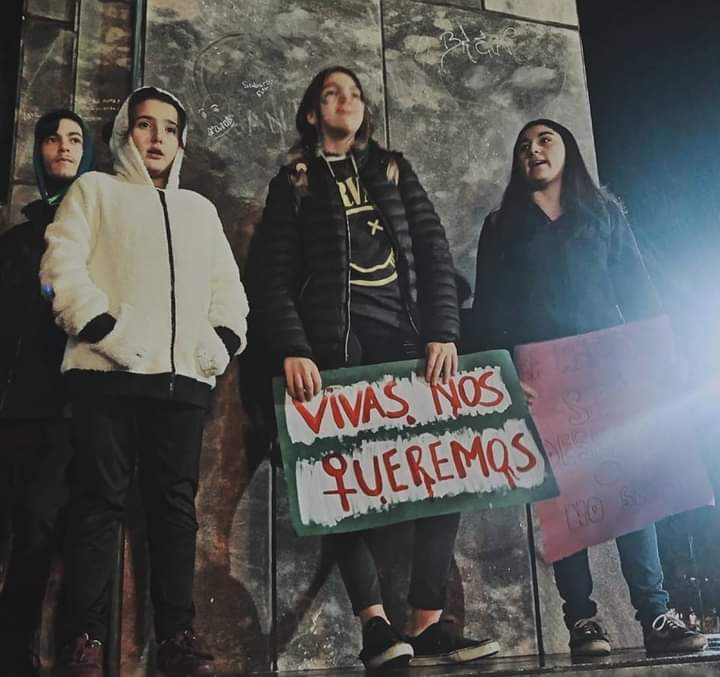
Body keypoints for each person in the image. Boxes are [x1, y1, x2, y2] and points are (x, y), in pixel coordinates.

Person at [252, 65, 499, 670]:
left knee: (451, 467)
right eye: (332, 93)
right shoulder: (295, 183)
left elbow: (435, 251)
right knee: (340, 479)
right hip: (335, 347)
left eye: (356, 94)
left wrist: (443, 330)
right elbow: (271, 274)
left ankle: (429, 623)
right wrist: (294, 346)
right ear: (312, 113)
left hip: (408, 337)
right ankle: (375, 626)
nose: (346, 101)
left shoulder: (393, 170)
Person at [467, 118, 707, 657]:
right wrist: (506, 374)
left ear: (568, 150)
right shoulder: (502, 225)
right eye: (523, 146)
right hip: (541, 381)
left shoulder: (604, 213)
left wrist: (657, 362)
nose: (533, 150)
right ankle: (582, 622)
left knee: (632, 495)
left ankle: (656, 614)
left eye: (545, 140)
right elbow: (489, 311)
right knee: (563, 501)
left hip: (609, 375)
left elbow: (638, 292)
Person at [40, 86, 248, 677]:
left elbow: (228, 292)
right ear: (125, 133)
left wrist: (220, 345)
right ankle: (83, 640)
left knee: (175, 513)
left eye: (169, 128)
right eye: (145, 125)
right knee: (97, 507)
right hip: (105, 376)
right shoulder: (94, 191)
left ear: (181, 140)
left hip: (181, 384)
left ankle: (178, 640)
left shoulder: (200, 211)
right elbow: (60, 265)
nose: (157, 137)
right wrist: (103, 327)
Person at [0, 109, 94, 677]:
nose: (62, 147)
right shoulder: (15, 239)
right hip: (12, 406)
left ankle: (19, 655)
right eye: (52, 138)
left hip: (64, 408)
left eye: (75, 138)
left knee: (40, 534)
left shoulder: (95, 229)